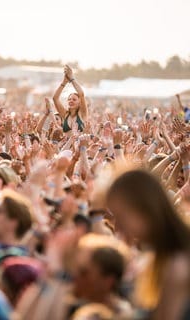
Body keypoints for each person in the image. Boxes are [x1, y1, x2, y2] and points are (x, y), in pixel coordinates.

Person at [107, 169, 190, 320]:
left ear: (144, 209)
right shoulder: (158, 256)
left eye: (123, 216)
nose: (119, 227)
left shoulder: (178, 264)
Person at [53, 65, 88, 133]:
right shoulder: (65, 114)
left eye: (74, 99)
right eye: (69, 99)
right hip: (65, 143)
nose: (71, 100)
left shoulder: (82, 113)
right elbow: (55, 99)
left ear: (79, 102)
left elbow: (81, 94)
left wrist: (72, 79)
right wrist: (64, 82)